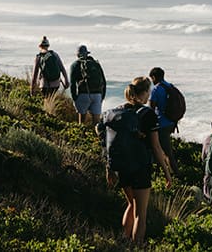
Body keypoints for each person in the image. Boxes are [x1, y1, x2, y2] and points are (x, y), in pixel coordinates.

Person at [100, 77, 173, 244]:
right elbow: (156, 147)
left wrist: (109, 168)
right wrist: (167, 173)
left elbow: (107, 143)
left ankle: (124, 242)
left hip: (120, 167)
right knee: (141, 212)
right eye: (148, 91)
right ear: (145, 92)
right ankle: (138, 246)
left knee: (131, 205)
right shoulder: (147, 114)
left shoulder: (116, 112)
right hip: (140, 167)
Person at [148, 66, 180, 174]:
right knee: (164, 148)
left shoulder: (156, 89)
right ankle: (166, 172)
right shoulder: (170, 86)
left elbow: (150, 109)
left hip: (161, 124)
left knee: (164, 151)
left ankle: (176, 174)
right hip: (172, 122)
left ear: (153, 77)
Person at [70, 45, 107, 125]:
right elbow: (104, 81)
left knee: (82, 123)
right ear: (87, 53)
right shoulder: (96, 64)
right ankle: (96, 136)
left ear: (77, 55)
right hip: (97, 95)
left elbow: (72, 84)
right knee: (97, 123)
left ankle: (81, 135)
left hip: (83, 94)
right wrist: (102, 97)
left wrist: (75, 98)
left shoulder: (75, 65)